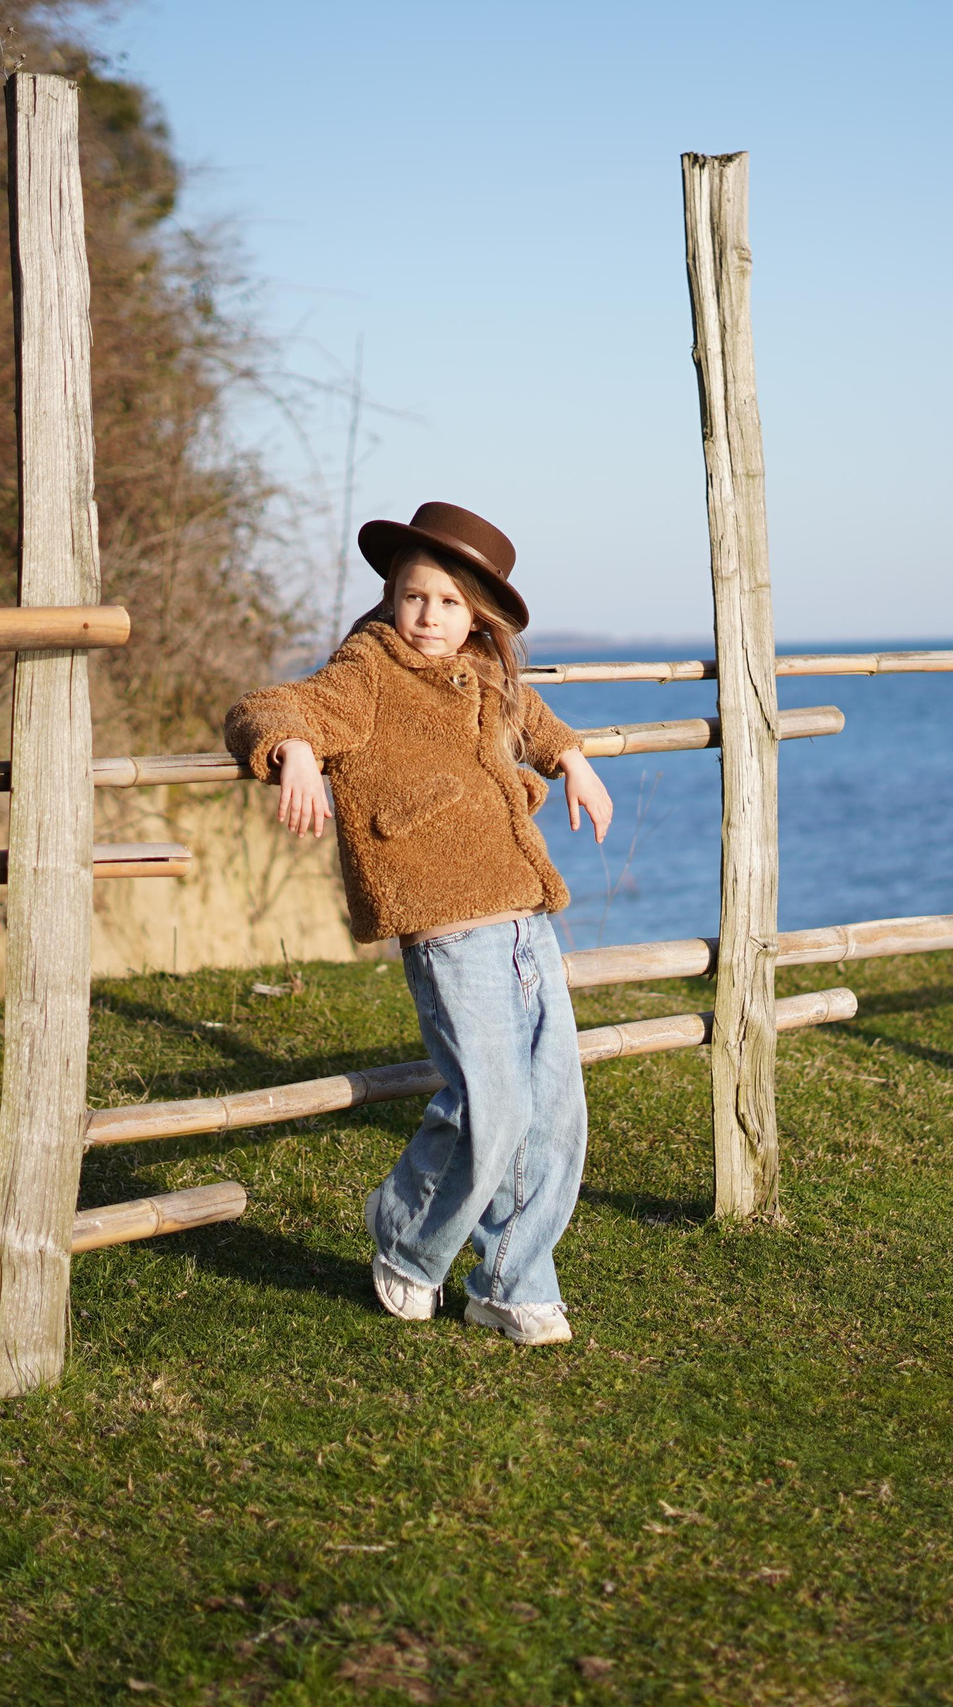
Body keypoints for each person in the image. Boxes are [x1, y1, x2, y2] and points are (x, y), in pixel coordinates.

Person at [224, 502, 613, 1346]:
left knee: (553, 1109)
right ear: (391, 598)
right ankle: (406, 1241)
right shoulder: (368, 666)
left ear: (476, 612)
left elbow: (532, 718)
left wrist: (571, 759)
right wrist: (292, 748)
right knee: (492, 1103)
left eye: (446, 601)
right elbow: (277, 703)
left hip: (522, 914)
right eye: (413, 596)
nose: (428, 616)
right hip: (443, 920)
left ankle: (512, 1280)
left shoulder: (486, 672)